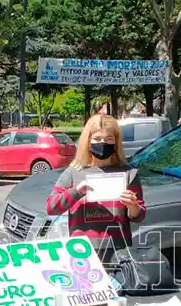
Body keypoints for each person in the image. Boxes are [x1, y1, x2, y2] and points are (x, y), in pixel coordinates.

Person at [45, 114, 146, 268]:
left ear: (116, 142)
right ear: (88, 141)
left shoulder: (129, 173)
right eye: (97, 138)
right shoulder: (73, 172)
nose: (103, 143)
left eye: (109, 139)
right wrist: (76, 191)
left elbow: (139, 216)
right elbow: (51, 207)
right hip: (82, 253)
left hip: (118, 252)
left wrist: (133, 206)